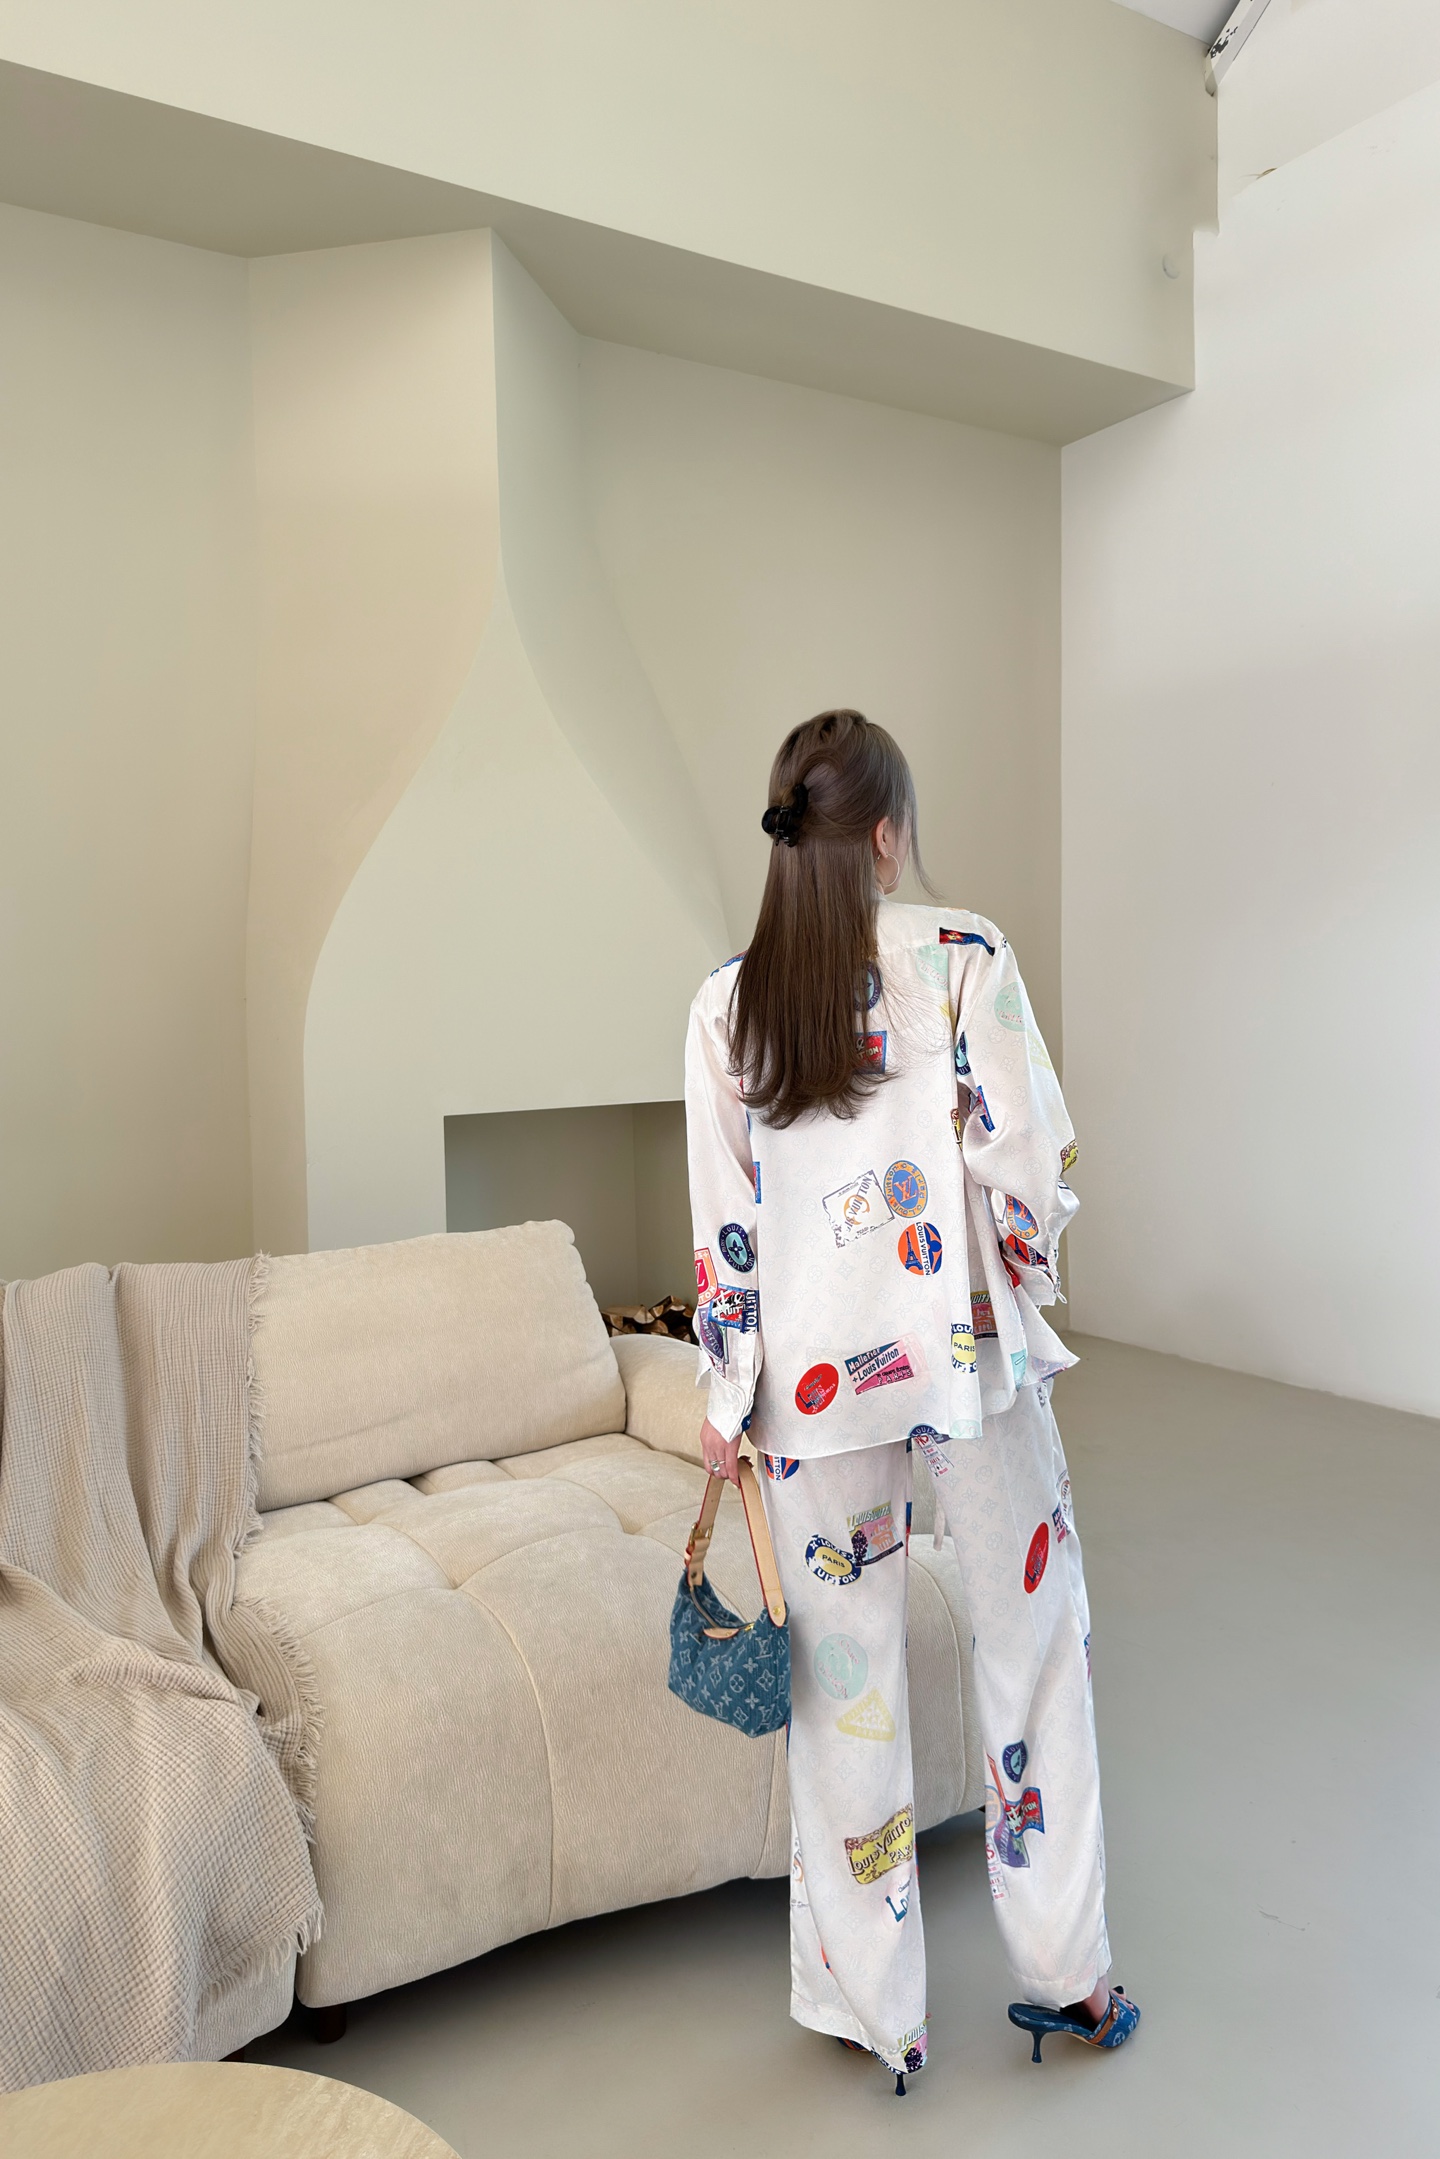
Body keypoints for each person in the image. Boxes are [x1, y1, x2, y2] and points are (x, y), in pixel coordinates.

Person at [684, 708, 1138, 2093]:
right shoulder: (964, 957)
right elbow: (1027, 1159)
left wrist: (728, 1392)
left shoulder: (726, 1006)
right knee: (1032, 1648)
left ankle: (873, 2012)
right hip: (965, 1362)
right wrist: (1026, 1269)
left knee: (847, 1691)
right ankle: (1067, 1978)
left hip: (808, 1398)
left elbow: (726, 1229)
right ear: (887, 835)